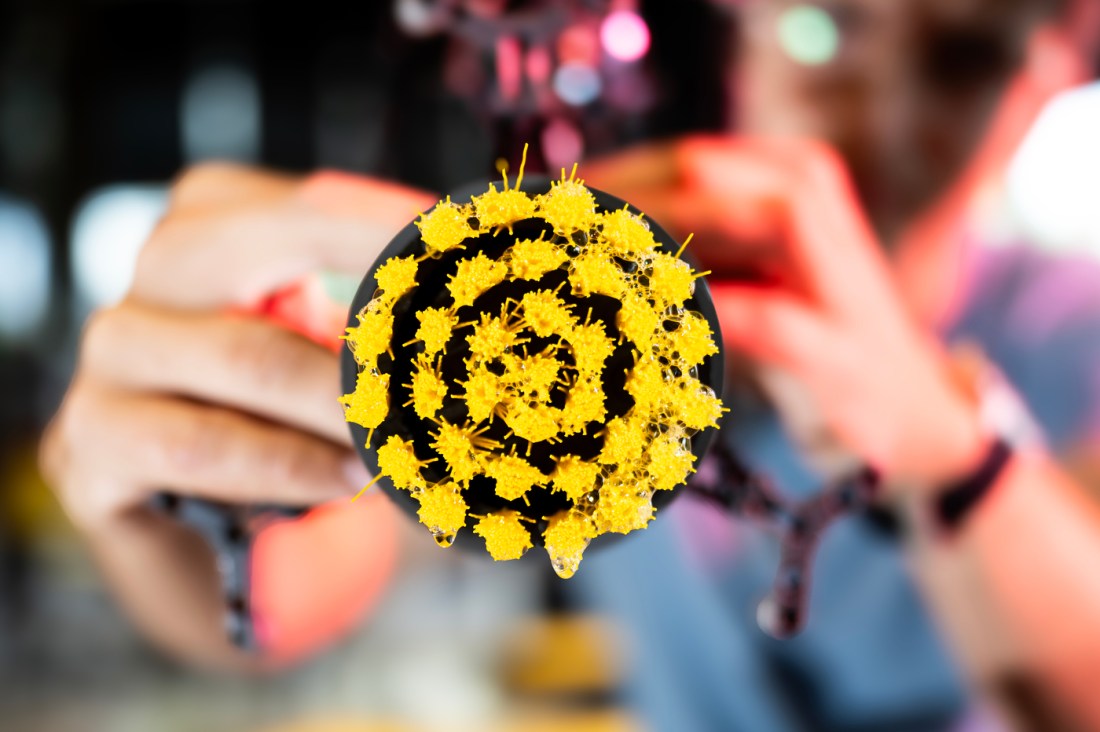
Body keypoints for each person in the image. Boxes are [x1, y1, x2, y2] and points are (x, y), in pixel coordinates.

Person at [39, 0, 1100, 729]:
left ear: (1054, 66)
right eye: (825, 27)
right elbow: (276, 602)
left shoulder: (1071, 332)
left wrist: (948, 448)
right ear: (742, 33)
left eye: (961, 57)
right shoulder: (603, 321)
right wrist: (155, 489)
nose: (881, 106)